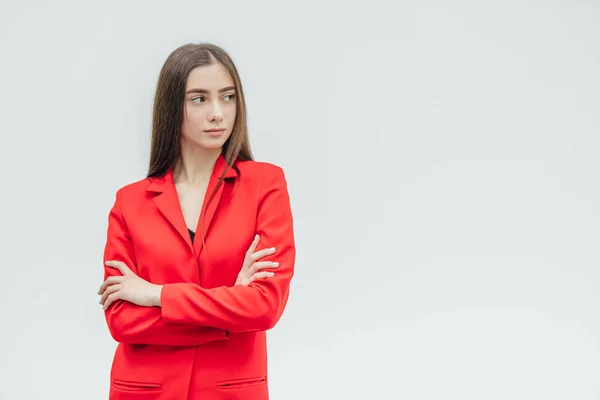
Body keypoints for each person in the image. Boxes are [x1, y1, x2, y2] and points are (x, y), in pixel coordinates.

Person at [96, 42, 295, 400]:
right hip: (145, 390)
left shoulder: (265, 184)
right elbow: (122, 320)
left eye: (228, 96)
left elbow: (264, 306)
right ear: (172, 107)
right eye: (199, 99)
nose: (218, 113)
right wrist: (230, 311)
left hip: (230, 390)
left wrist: (156, 295)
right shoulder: (129, 202)